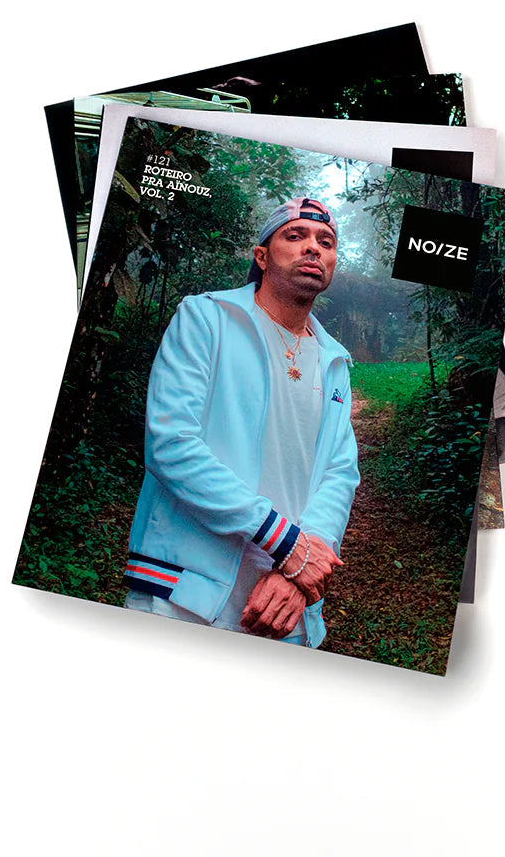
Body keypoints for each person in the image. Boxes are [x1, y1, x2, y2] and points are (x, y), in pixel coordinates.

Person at [123, 197, 359, 647]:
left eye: (326, 242)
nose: (313, 247)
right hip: (184, 595)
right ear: (262, 256)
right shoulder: (207, 318)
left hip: (282, 606)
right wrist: (287, 544)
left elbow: (340, 471)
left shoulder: (334, 360)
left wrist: (300, 566)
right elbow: (171, 443)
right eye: (296, 235)